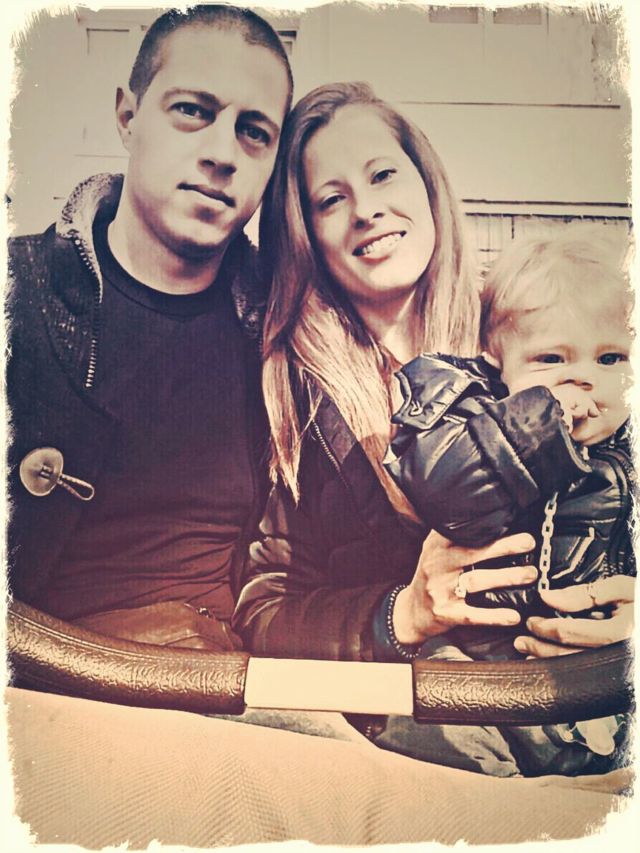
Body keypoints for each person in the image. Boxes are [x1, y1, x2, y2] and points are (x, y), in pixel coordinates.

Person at [232, 81, 635, 775]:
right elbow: (262, 610)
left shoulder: (533, 332)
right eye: (331, 199)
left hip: (585, 722)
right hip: (428, 744)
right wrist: (403, 614)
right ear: (306, 233)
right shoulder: (290, 390)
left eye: (382, 174)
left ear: (426, 183)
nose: (367, 210)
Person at [7, 4, 292, 649]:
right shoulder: (16, 293)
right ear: (128, 116)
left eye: (254, 132)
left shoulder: (286, 333)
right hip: (40, 680)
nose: (222, 153)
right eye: (192, 110)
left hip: (228, 679)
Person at [383, 230, 635, 774]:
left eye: (611, 357)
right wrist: (539, 426)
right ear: (497, 362)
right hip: (484, 664)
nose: (582, 379)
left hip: (598, 679)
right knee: (432, 725)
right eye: (551, 358)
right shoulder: (477, 418)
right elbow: (443, 487)